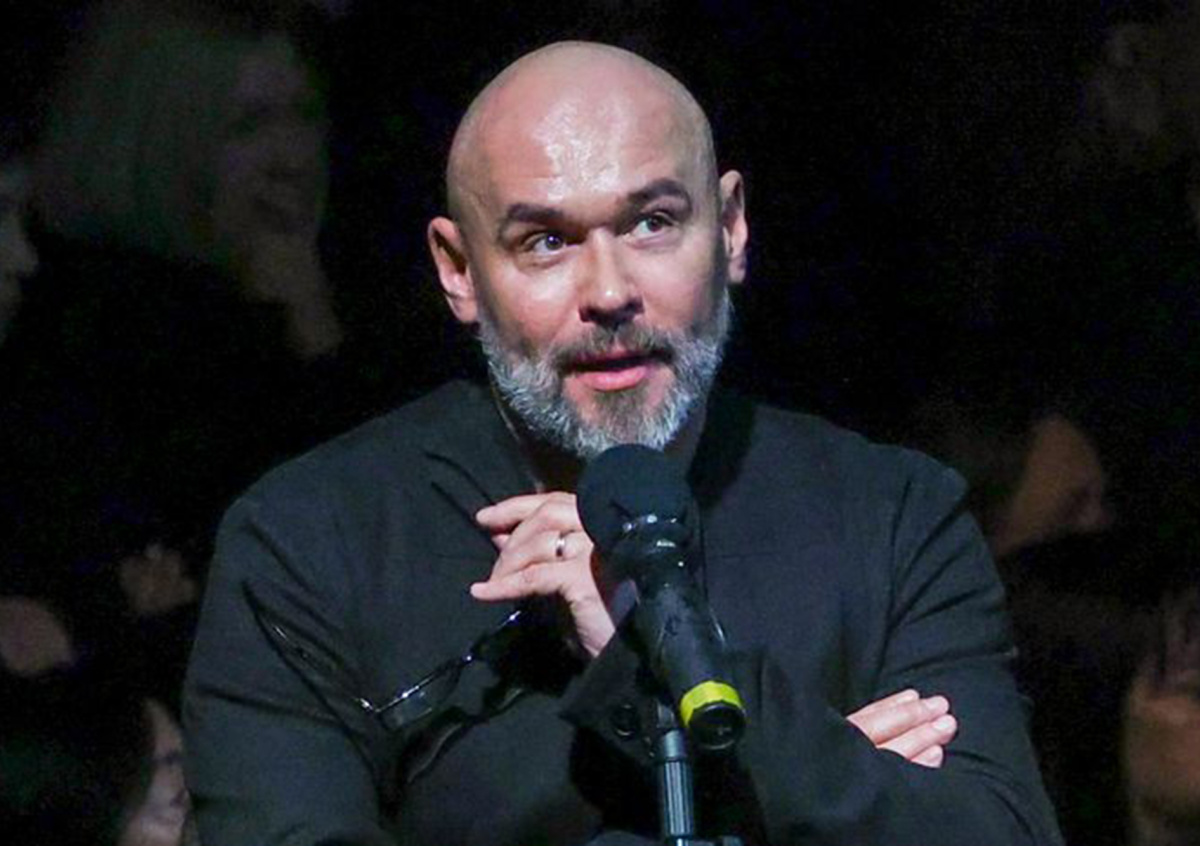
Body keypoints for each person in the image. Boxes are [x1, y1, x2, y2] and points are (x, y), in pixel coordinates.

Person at [184, 42, 1062, 845]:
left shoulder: (893, 516)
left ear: (731, 229)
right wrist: (804, 787)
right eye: (546, 241)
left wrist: (659, 653)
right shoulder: (313, 542)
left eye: (651, 223)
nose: (609, 293)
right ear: (459, 272)